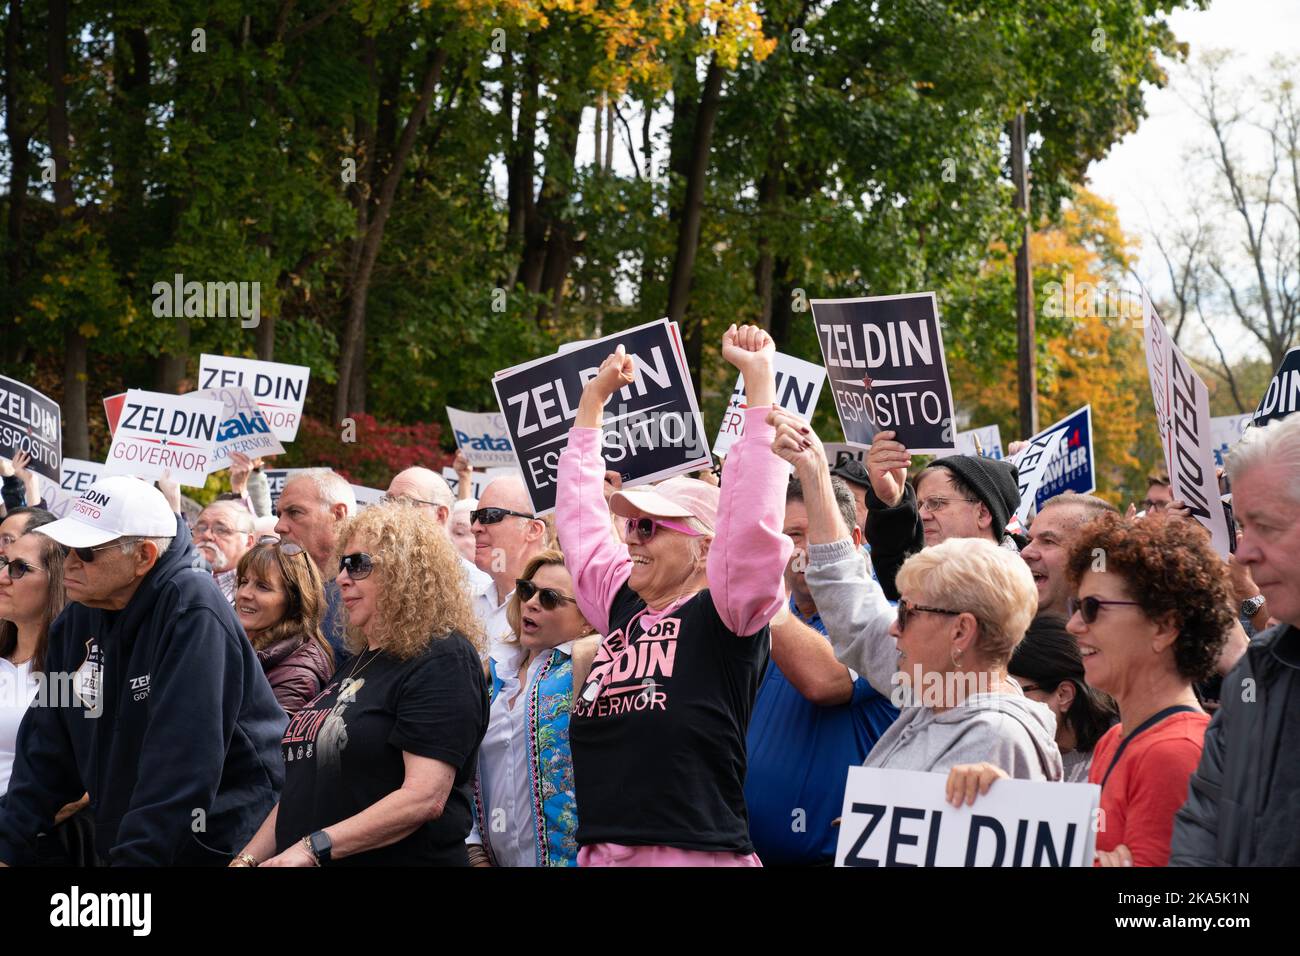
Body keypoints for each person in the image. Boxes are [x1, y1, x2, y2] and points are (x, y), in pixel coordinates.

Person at [557, 324, 790, 867]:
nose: (631, 538)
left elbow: (752, 527)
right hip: (601, 852)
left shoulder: (728, 615)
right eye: (632, 526)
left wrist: (758, 383)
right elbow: (581, 524)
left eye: (651, 529)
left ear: (706, 548)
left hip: (695, 854)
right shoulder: (623, 605)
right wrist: (592, 405)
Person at [0, 476, 285, 866]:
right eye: (67, 547)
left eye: (86, 551)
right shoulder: (74, 621)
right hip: (129, 839)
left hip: (219, 841)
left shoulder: (192, 611)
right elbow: (46, 748)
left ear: (144, 557)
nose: (68, 562)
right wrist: (8, 844)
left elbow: (183, 763)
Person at [769, 409, 1061, 783]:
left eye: (908, 613)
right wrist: (813, 473)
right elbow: (852, 604)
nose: (893, 628)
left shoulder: (998, 738)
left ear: (961, 631)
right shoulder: (929, 683)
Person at [233, 502, 489, 866]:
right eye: (342, 564)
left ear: (406, 571)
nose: (341, 578)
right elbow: (303, 789)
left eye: (359, 564)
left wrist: (310, 849)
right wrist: (245, 861)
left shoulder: (443, 657)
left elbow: (424, 797)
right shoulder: (357, 663)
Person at [744, 474, 900, 866]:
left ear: (855, 539)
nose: (802, 549)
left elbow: (824, 681)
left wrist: (761, 597)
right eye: (789, 535)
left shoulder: (892, 623)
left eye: (814, 533)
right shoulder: (766, 619)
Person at [1063, 511, 1232, 867]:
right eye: (1076, 606)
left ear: (1164, 627)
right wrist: (997, 797)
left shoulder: (1173, 753)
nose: (1074, 624)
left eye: (1093, 608)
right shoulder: (1117, 738)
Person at [1172, 412, 1300, 865]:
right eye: (1243, 526)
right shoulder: (1257, 675)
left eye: (1266, 526)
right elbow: (1203, 824)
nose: (1243, 553)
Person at [468, 550, 599, 867]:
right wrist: (473, 853)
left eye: (550, 598)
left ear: (585, 619)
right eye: (527, 590)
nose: (532, 602)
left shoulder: (593, 670)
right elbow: (463, 776)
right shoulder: (493, 676)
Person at [862, 429, 1022, 601]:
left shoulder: (1033, 585)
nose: (922, 515)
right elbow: (894, 565)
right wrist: (890, 500)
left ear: (982, 513)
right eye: (920, 505)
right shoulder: (921, 582)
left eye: (936, 503)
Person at [1010, 613, 1118, 783]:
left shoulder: (1120, 758)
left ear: (1064, 695)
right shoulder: (1005, 753)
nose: (1003, 706)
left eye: (1013, 693)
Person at [235, 539, 334, 716]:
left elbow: (262, 742)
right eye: (244, 582)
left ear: (294, 601)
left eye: (262, 587)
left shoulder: (298, 677)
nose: (244, 594)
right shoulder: (241, 641)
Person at [274, 469, 356, 664]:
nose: (279, 526)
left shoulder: (370, 595)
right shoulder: (273, 588)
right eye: (279, 514)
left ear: (338, 514)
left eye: (294, 512)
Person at [384, 466, 493, 601]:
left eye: (405, 502)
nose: (391, 510)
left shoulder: (477, 588)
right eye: (388, 500)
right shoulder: (371, 572)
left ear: (440, 515)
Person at [471, 475, 549, 652]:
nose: (474, 527)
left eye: (489, 516)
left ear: (532, 529)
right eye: (474, 517)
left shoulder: (553, 607)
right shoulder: (467, 602)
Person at [1020, 492, 1117, 617]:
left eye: (1048, 541)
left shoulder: (1121, 635)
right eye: (1028, 541)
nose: (1025, 552)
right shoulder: (1000, 633)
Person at [193, 500, 257, 604]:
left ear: (249, 542)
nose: (206, 535)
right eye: (201, 528)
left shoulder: (258, 591)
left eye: (221, 530)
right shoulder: (176, 578)